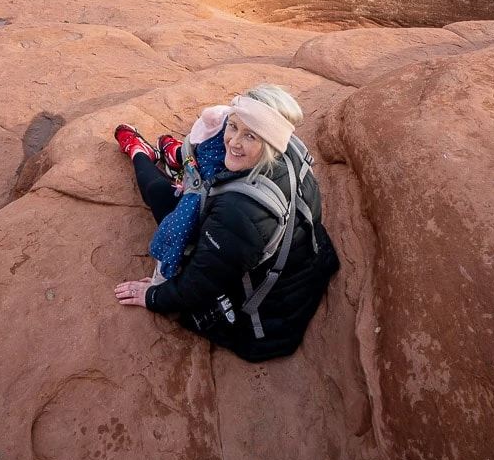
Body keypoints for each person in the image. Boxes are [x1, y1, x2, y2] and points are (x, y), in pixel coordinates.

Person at [113, 85, 339, 362]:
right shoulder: (290, 149)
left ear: (270, 140)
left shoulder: (238, 214)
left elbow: (197, 286)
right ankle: (177, 159)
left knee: (160, 195)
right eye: (232, 126)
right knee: (182, 191)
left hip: (262, 326)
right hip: (298, 271)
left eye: (250, 135)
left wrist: (153, 296)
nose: (233, 141)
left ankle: (140, 152)